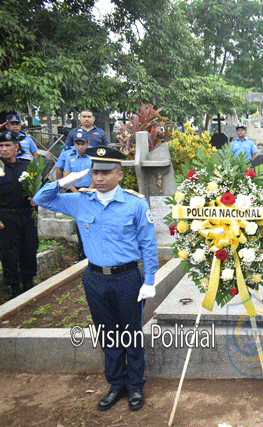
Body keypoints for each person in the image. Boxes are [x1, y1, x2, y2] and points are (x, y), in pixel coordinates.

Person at [33, 146, 158, 411]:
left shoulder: (135, 203)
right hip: (95, 278)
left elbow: (148, 244)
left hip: (127, 278)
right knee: (107, 333)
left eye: (106, 172)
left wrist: (149, 280)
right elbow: (41, 198)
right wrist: (66, 180)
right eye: (95, 172)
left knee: (131, 333)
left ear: (119, 175)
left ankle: (135, 384)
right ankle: (116, 384)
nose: (99, 178)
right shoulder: (81, 200)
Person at [0, 131, 39, 298]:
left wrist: (36, 199)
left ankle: (28, 283)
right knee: (9, 254)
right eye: (1, 146)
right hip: (6, 217)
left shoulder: (27, 166)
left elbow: (38, 188)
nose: (4, 149)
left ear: (17, 147)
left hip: (27, 215)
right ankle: (14, 288)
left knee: (29, 249)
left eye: (8, 145)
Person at [64, 131, 93, 261]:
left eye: (83, 144)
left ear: (88, 143)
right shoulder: (70, 156)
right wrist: (75, 191)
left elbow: (97, 174)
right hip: (75, 191)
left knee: (92, 220)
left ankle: (92, 250)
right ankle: (82, 250)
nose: (80, 147)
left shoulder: (93, 156)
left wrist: (89, 189)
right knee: (79, 222)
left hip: (91, 190)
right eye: (77, 144)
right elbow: (66, 175)